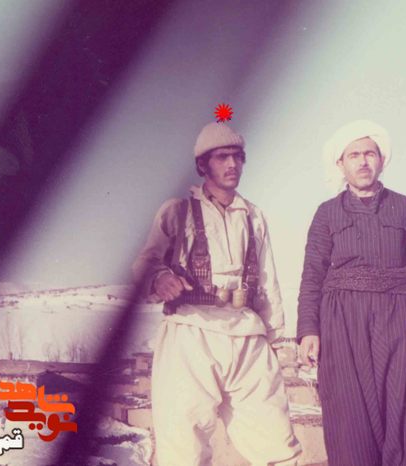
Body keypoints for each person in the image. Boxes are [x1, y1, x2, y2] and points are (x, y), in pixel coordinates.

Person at [133, 122, 301, 466]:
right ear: (202, 165)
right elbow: (145, 263)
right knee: (184, 443)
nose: (232, 164)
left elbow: (267, 279)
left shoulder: (253, 216)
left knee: (276, 438)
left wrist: (273, 336)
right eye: (222, 157)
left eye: (238, 157)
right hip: (191, 333)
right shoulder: (177, 211)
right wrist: (160, 278)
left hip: (246, 336)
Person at [297, 120, 406, 466]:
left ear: (381, 160)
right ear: (340, 164)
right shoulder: (326, 213)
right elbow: (312, 274)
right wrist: (308, 330)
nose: (363, 162)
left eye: (369, 154)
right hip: (342, 322)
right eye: (354, 155)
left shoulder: (405, 207)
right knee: (350, 412)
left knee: (405, 408)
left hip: (397, 318)